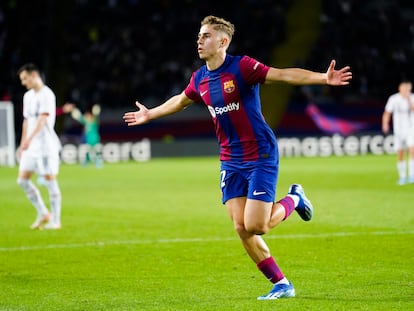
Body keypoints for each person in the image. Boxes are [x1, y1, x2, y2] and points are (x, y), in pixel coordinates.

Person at [123, 15, 352, 300]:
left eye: (205, 36)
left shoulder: (242, 67)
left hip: (260, 153)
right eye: (199, 36)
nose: (199, 40)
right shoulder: (200, 78)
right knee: (241, 227)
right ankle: (281, 283)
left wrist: (322, 78)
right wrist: (150, 113)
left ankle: (295, 198)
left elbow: (282, 75)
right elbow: (180, 100)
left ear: (223, 41)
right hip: (230, 160)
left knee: (258, 225)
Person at [17, 63, 62, 230]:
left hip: (46, 145)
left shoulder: (47, 94)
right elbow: (27, 121)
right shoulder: (28, 96)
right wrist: (23, 143)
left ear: (34, 75)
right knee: (22, 180)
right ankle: (43, 213)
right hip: (31, 145)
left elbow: (42, 120)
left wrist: (29, 139)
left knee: (50, 180)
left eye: (25, 78)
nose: (23, 82)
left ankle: (56, 221)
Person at [382, 80, 414, 185]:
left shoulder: (412, 98)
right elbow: (387, 112)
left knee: (412, 151)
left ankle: (411, 175)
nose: (406, 91)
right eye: (404, 89)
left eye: (408, 89)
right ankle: (402, 176)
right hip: (398, 131)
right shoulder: (393, 99)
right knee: (400, 153)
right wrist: (385, 124)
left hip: (411, 129)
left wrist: (409, 100)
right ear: (400, 89)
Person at [65, 103, 103, 167]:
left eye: (87, 115)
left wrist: (95, 112)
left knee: (96, 150)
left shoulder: (94, 121)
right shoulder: (86, 122)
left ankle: (98, 162)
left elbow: (95, 116)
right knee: (88, 150)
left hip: (95, 138)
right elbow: (79, 117)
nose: (86, 116)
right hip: (88, 138)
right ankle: (87, 162)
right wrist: (74, 110)